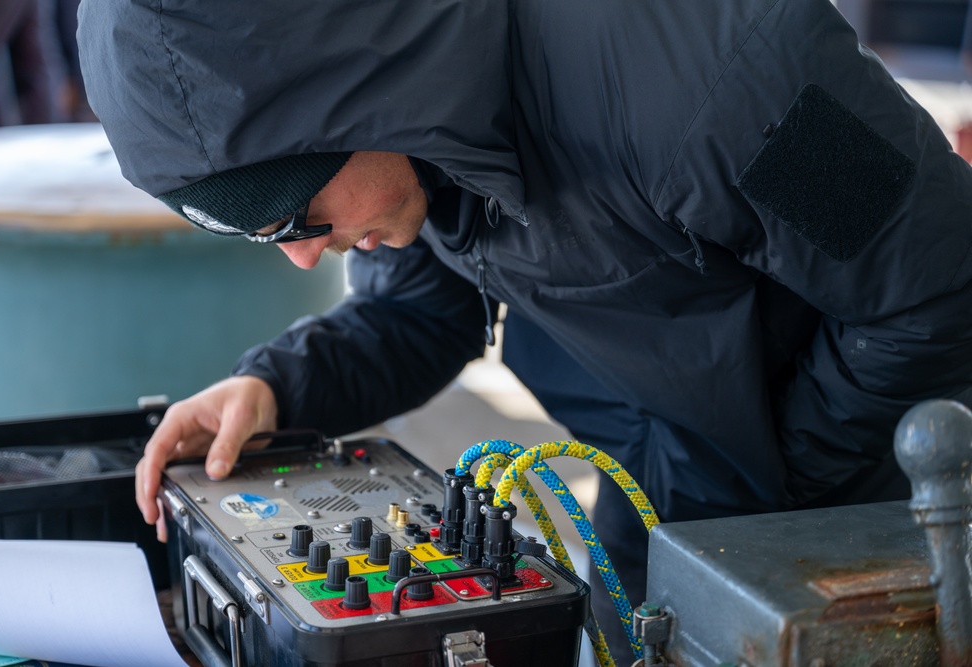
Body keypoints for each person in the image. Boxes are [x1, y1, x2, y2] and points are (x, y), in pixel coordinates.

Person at [77, 0, 972, 662]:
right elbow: (422, 310)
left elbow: (939, 286)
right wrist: (277, 388)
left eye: (299, 217)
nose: (306, 259)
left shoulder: (713, 65)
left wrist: (762, 490)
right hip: (672, 484)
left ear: (351, 108)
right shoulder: (419, 128)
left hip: (881, 509)